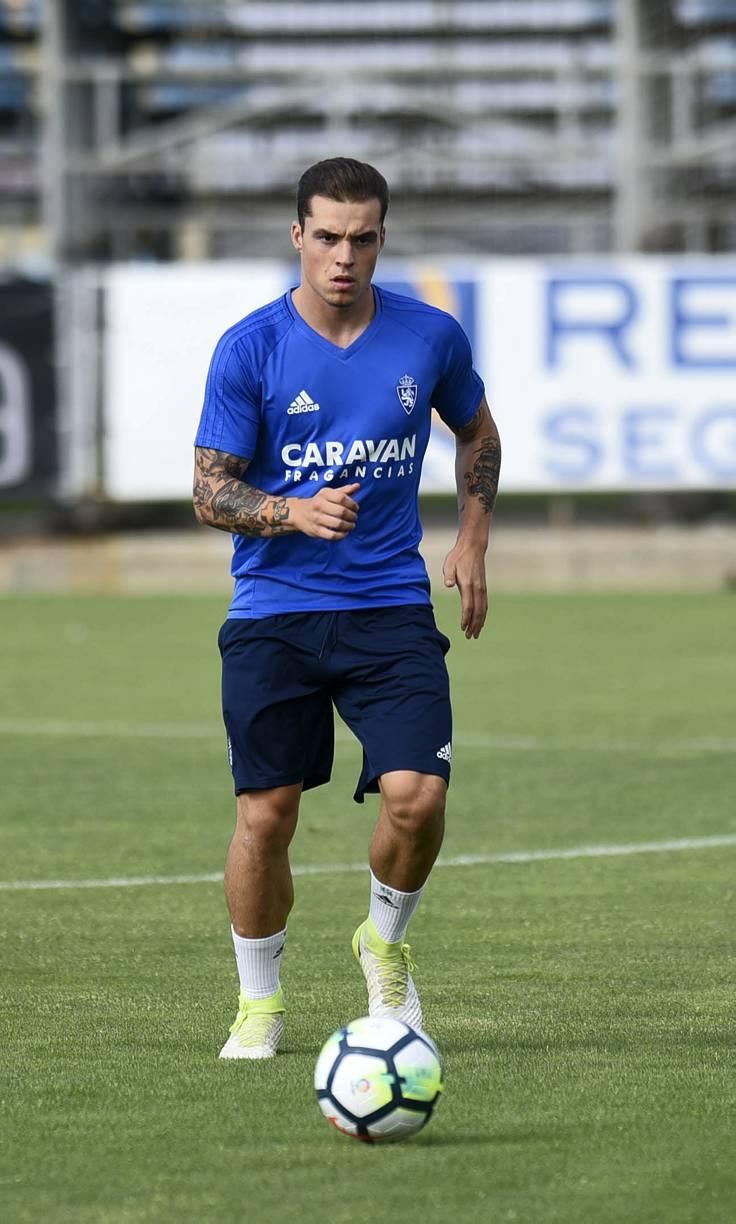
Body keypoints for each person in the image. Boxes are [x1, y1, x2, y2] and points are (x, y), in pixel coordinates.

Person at [193, 158, 501, 1059]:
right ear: (298, 236)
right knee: (267, 816)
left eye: (362, 238)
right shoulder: (249, 348)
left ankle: (384, 948)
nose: (344, 256)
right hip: (274, 610)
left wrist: (472, 538)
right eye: (326, 237)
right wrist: (289, 510)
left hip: (388, 604)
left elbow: (477, 431)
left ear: (381, 239)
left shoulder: (429, 337)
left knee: (419, 795)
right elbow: (210, 491)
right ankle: (259, 1004)